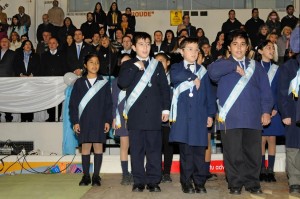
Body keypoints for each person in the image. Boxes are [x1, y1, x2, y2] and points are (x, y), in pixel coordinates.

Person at [208, 30, 273, 195]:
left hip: (253, 117)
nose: (239, 48)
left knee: (253, 154)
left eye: (242, 44)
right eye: (235, 44)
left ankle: (252, 183)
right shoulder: (222, 65)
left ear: (247, 48)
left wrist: (266, 111)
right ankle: (235, 184)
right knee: (233, 153)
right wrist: (233, 66)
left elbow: (266, 91)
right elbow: (212, 73)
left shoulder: (256, 67)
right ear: (229, 47)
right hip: (230, 118)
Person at [118, 32, 170, 192]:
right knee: (137, 150)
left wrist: (166, 109)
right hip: (136, 115)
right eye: (141, 44)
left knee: (154, 149)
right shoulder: (128, 65)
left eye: (148, 44)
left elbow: (164, 89)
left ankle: (154, 181)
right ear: (133, 47)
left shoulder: (157, 64)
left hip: (154, 115)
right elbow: (122, 83)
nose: (145, 47)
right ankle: (138, 180)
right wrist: (134, 68)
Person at [169, 38, 215, 194]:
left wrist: (210, 114)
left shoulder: (203, 71)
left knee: (199, 153)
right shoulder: (176, 68)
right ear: (181, 52)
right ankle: (186, 182)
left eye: (196, 49)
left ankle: (200, 182)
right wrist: (192, 77)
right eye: (190, 49)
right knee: (186, 153)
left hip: (199, 118)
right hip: (183, 118)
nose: (194, 52)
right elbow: (174, 77)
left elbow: (209, 95)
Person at [69, 54, 112, 186]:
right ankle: (86, 176)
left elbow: (108, 104)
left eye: (97, 62)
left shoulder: (103, 82)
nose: (94, 65)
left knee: (98, 147)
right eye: (91, 62)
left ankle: (96, 176)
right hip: (84, 121)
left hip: (99, 120)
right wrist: (75, 121)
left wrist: (107, 120)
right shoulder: (79, 83)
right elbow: (73, 104)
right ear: (85, 65)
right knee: (86, 147)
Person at [254, 40, 284, 183]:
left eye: (273, 48)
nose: (271, 50)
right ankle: (260, 169)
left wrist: (276, 108)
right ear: (260, 51)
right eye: (268, 48)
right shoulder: (254, 67)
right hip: (259, 108)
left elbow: (280, 91)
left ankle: (270, 170)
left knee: (272, 139)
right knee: (261, 140)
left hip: (274, 110)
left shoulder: (277, 69)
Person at [278, 24, 300, 194]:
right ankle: (294, 180)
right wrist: (285, 113)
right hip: (294, 113)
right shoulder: (289, 67)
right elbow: (282, 93)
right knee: (293, 148)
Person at [112, 53, 132, 185]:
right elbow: (113, 102)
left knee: (137, 147)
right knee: (124, 146)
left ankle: (137, 172)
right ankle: (125, 174)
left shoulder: (139, 79)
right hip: (121, 117)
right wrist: (114, 117)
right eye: (123, 63)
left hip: (137, 117)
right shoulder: (115, 81)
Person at [154, 52, 173, 183]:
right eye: (156, 61)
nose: (159, 64)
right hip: (154, 119)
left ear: (168, 63)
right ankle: (156, 171)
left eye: (161, 61)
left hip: (169, 119)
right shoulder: (151, 78)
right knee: (155, 146)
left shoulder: (174, 78)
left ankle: (167, 172)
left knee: (168, 146)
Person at [13, 40, 40, 122]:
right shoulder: (18, 56)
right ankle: (23, 118)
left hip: (32, 81)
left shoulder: (36, 56)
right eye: (26, 44)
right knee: (23, 99)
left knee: (30, 100)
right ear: (23, 46)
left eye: (29, 44)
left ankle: (30, 118)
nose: (28, 45)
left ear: (31, 46)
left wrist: (32, 74)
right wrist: (20, 74)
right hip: (21, 81)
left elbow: (39, 67)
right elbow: (15, 66)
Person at [41, 37, 65, 122]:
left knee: (58, 98)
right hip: (48, 81)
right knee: (49, 98)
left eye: (54, 43)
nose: (51, 44)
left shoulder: (62, 54)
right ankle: (51, 116)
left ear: (57, 44)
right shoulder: (44, 55)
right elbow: (42, 69)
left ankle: (57, 116)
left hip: (59, 81)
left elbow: (64, 67)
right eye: (50, 43)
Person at [0, 37, 15, 122]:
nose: (4, 43)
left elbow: (14, 67)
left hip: (8, 80)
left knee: (7, 99)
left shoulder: (13, 54)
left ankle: (8, 117)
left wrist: (12, 79)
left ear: (9, 44)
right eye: (2, 41)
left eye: (6, 41)